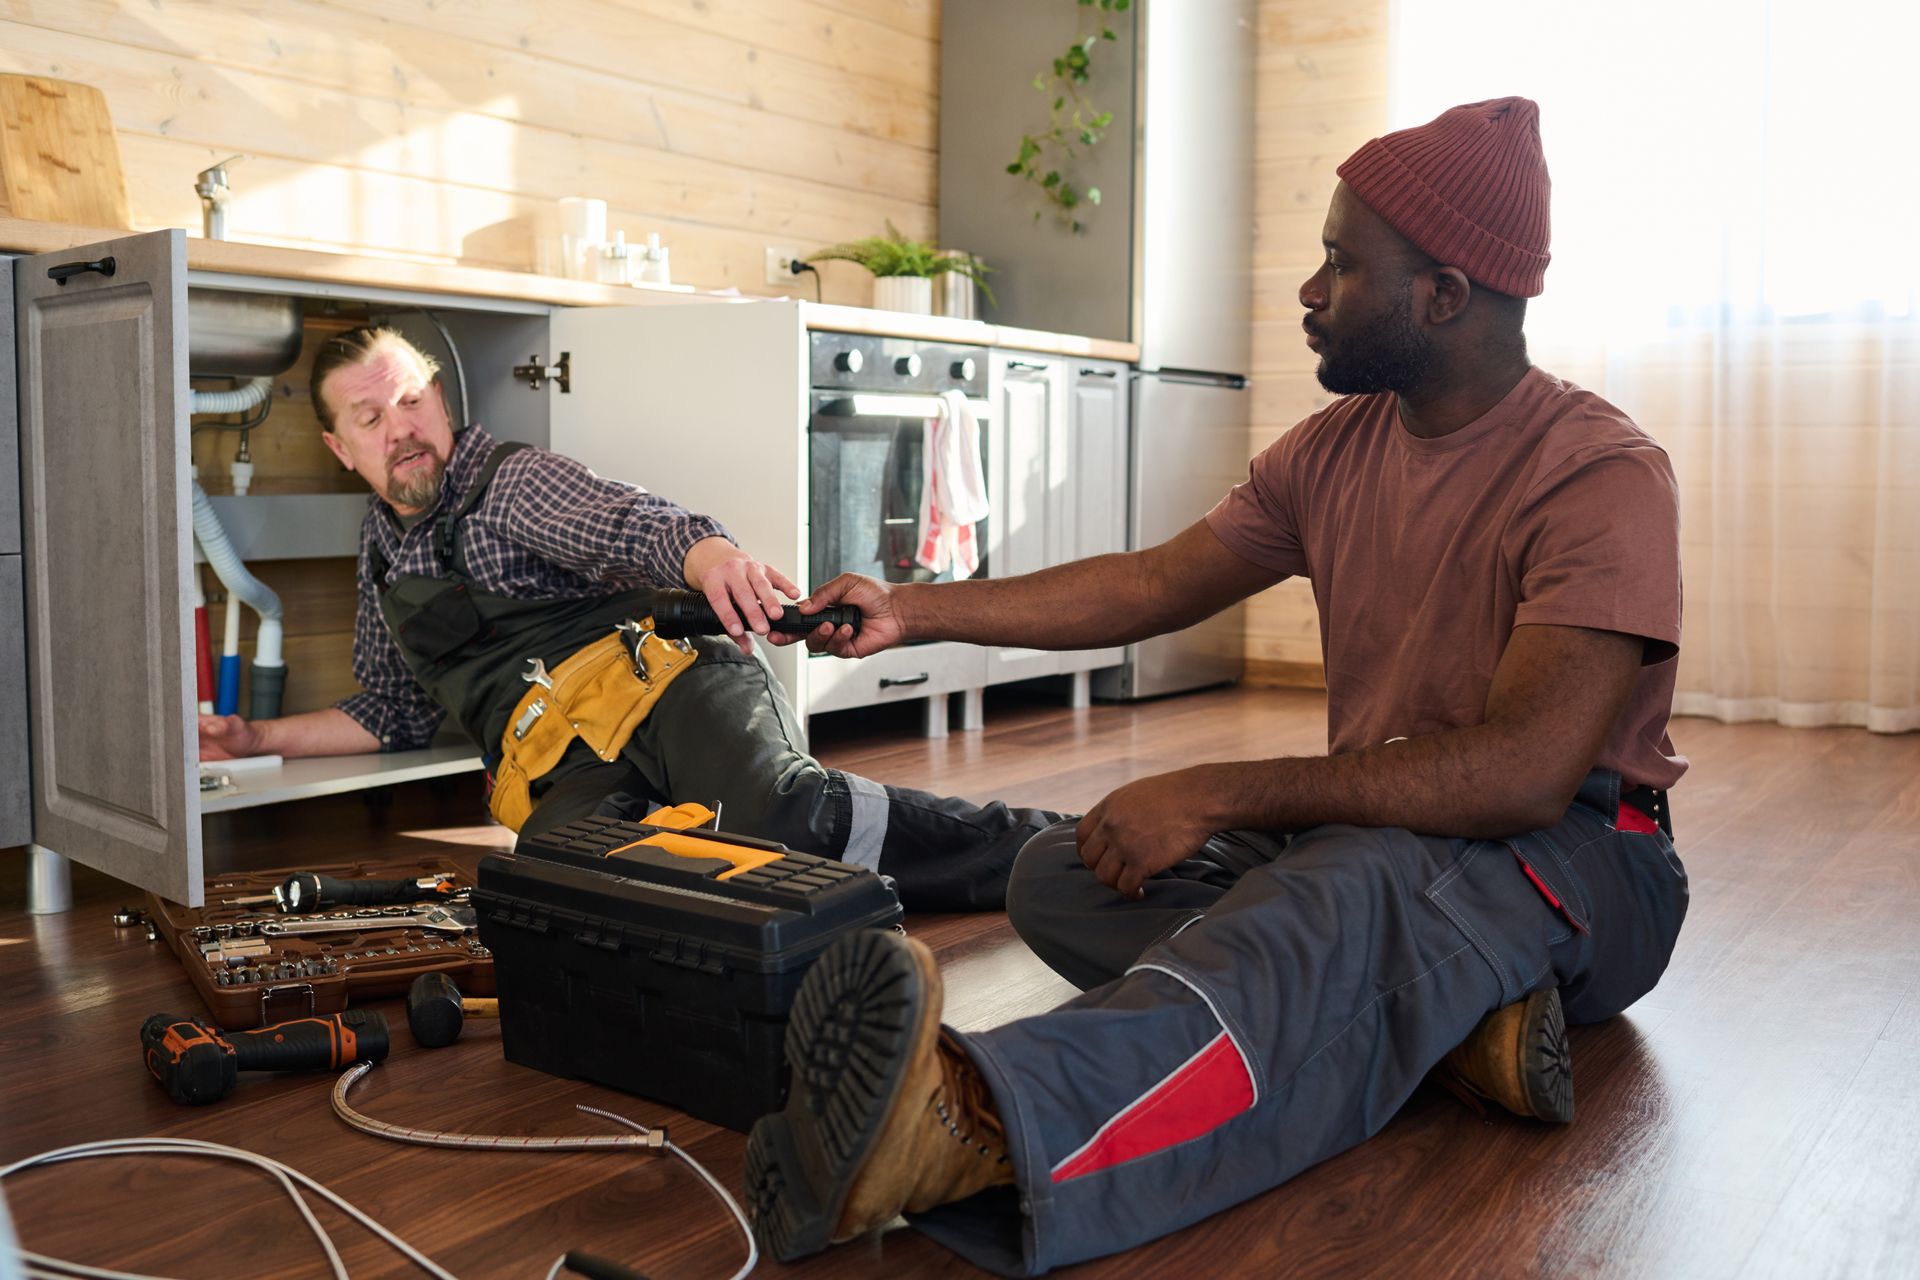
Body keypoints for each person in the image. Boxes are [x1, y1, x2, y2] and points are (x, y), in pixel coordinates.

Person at [746, 97, 1690, 1274]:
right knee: (1067, 871)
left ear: (1444, 295)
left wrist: (1226, 789)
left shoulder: (1599, 473)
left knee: (1357, 877)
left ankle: (978, 1123)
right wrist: (913, 606)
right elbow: (1147, 584)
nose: (1308, 288)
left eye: (1342, 265)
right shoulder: (1334, 448)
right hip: (1393, 823)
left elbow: (1523, 774)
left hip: (1586, 859)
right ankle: (1454, 1027)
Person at [196, 326, 1054, 911]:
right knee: (572, 886)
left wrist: (718, 562)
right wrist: (256, 739)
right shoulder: (381, 555)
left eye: (413, 400)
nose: (404, 430)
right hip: (559, 761)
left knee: (779, 816)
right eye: (372, 418)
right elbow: (391, 712)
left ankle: (1046, 854)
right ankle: (817, 924)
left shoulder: (511, 482)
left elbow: (630, 522)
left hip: (666, 679)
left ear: (443, 402)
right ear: (344, 449)